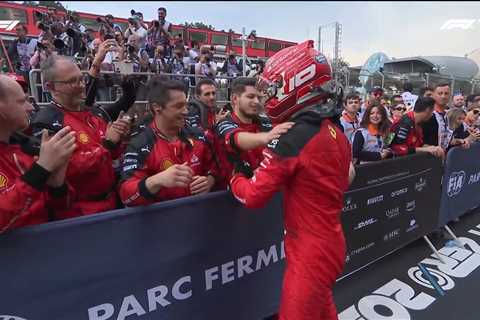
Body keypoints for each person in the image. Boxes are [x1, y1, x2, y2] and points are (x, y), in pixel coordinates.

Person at [229, 40, 355, 320]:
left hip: (311, 249)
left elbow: (253, 195)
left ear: (296, 85)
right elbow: (345, 178)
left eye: (273, 89)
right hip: (330, 240)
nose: (267, 97)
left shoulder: (293, 137)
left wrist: (234, 177)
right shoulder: (335, 131)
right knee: (322, 309)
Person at [29, 40, 136, 218]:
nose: (81, 85)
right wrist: (107, 144)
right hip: (79, 213)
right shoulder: (46, 122)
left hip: (112, 204)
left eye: (81, 78)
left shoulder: (95, 113)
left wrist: (119, 138)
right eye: (72, 81)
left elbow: (112, 156)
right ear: (50, 87)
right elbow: (64, 169)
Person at [119, 77, 217, 206]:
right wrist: (156, 181)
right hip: (162, 221)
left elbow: (216, 167)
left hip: (198, 217)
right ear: (157, 108)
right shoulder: (140, 144)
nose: (186, 111)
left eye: (186, 105)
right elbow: (126, 196)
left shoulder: (197, 135)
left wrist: (210, 180)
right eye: (178, 106)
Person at [0, 75, 76, 233]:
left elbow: (62, 211)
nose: (30, 107)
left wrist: (57, 186)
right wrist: (41, 169)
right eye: (22, 102)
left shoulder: (24, 149)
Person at [214, 77, 293, 188]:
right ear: (235, 99)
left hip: (268, 192)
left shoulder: (266, 123)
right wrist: (266, 137)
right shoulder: (223, 124)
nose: (256, 101)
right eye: (250, 97)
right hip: (234, 198)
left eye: (259, 97)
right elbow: (235, 139)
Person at [421, 83, 454, 150]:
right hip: (427, 156)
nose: (443, 96)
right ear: (433, 95)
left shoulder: (447, 115)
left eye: (446, 93)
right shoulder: (426, 114)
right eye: (440, 93)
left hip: (443, 156)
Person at [8, 24, 37, 92]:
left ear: (25, 31)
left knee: (34, 89)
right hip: (21, 70)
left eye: (19, 30)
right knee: (23, 89)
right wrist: (12, 44)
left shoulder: (34, 42)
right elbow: (9, 54)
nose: (17, 32)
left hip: (32, 70)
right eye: (16, 30)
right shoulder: (15, 43)